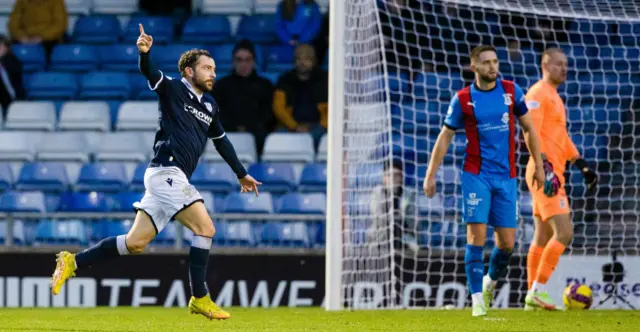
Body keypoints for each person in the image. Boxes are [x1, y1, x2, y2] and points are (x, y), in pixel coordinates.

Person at [50, 24, 262, 321]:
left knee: (135, 243)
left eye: (214, 68)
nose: (213, 73)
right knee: (206, 229)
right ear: (189, 71)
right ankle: (200, 297)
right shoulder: (174, 88)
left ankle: (73, 261)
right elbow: (150, 73)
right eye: (206, 68)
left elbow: (221, 141)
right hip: (166, 170)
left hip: (172, 177)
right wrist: (144, 54)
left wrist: (241, 173)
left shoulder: (210, 105)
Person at [423, 45, 546, 317]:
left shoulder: (512, 91)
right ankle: (477, 300)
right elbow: (445, 136)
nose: (493, 67)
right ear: (474, 67)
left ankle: (489, 282)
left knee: (507, 243)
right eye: (486, 63)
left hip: (507, 176)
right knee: (476, 236)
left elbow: (529, 128)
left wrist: (538, 164)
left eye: (495, 61)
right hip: (476, 175)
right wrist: (431, 173)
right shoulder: (463, 99)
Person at [524, 48, 598, 311]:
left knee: (542, 235)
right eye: (559, 64)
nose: (564, 69)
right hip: (545, 171)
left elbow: (560, 138)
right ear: (545, 64)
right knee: (564, 232)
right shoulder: (537, 93)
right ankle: (538, 290)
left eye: (566, 64)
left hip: (550, 169)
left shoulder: (554, 96)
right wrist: (544, 166)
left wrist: (580, 163)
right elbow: (529, 131)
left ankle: (531, 297)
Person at [212, 39, 275, 156]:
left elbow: (268, 115)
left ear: (254, 62)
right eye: (239, 60)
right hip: (227, 134)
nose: (243, 64)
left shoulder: (265, 85)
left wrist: (250, 130)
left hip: (258, 137)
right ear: (233, 62)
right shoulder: (221, 86)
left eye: (248, 60)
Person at [273, 44, 328, 149]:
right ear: (294, 60)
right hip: (290, 127)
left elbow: (330, 108)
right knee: (277, 136)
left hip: (318, 127)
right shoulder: (285, 79)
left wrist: (322, 126)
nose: (302, 62)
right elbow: (278, 108)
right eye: (298, 58)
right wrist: (294, 127)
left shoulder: (324, 79)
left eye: (306, 58)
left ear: (313, 60)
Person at [369, 159, 418, 252]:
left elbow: (412, 220)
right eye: (389, 175)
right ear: (384, 178)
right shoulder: (377, 193)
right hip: (381, 236)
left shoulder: (409, 193)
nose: (392, 178)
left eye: (396, 175)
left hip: (404, 236)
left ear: (401, 178)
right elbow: (377, 216)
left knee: (415, 249)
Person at [0, 35, 25, 117]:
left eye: (1, 46)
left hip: (10, 100)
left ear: (6, 48)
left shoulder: (12, 61)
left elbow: (12, 87)